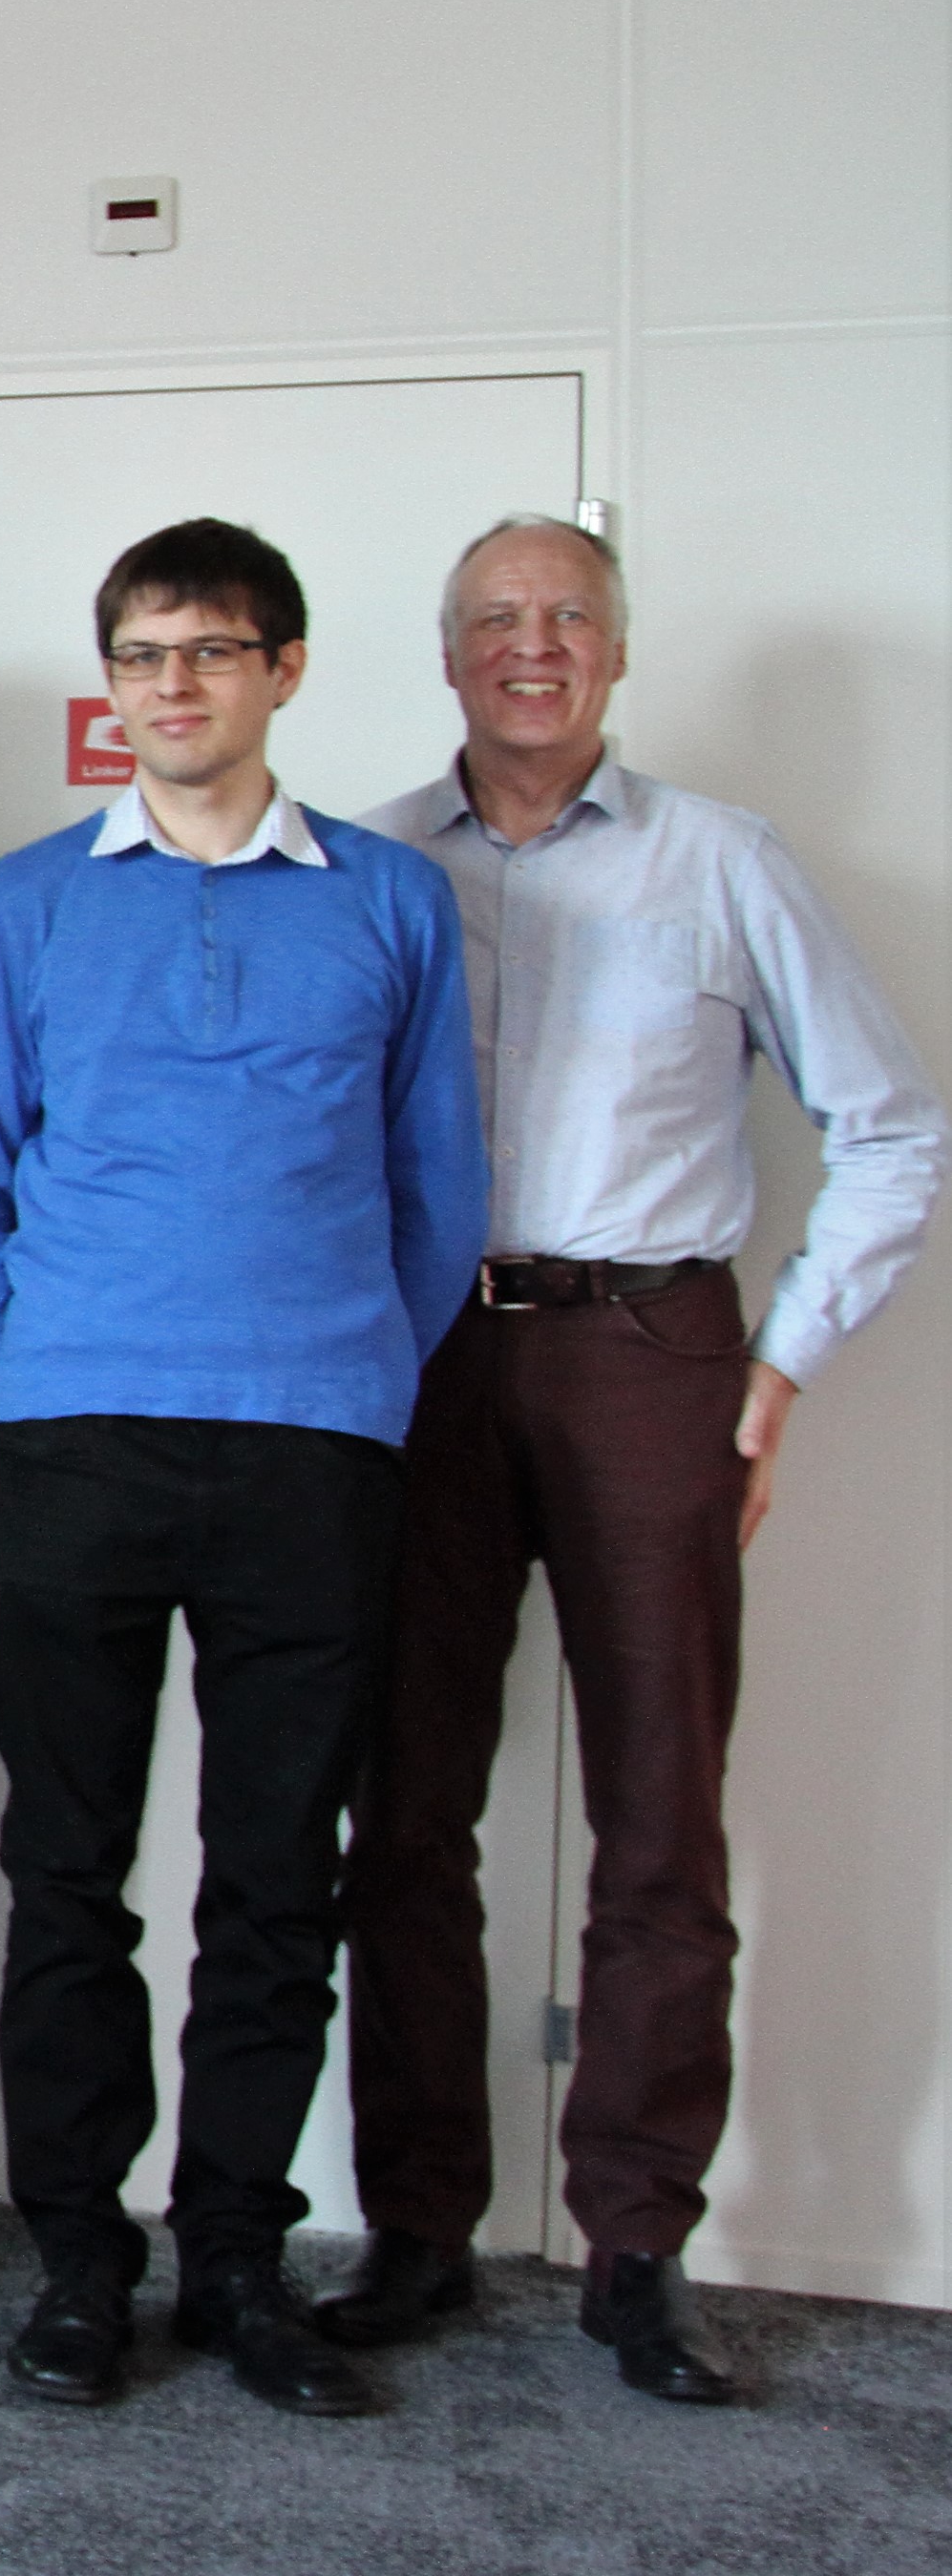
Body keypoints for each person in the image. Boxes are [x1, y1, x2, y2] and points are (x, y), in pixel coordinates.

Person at [324, 513, 942, 2402]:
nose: (534, 646)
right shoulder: (370, 868)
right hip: (422, 1356)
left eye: (569, 617)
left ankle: (638, 2250)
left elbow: (894, 1129)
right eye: (498, 619)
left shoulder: (724, 863)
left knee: (662, 1811)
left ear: (615, 654)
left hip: (651, 1347)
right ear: (445, 657)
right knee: (403, 1808)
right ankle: (421, 2227)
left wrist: (779, 1371)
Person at [0, 516, 484, 2419]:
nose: (175, 686)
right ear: (115, 685)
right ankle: (81, 2255)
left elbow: (439, 1191)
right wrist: (39, 1368)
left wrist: (358, 1379)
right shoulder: (24, 904)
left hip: (315, 1441)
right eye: (144, 656)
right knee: (66, 1865)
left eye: (213, 653)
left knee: (276, 1877)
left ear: (285, 673)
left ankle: (236, 2254)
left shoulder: (394, 902)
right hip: (83, 1434)